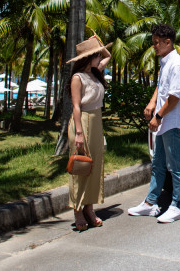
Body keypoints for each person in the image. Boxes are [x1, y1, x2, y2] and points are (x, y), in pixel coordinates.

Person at [128, 24, 180, 223]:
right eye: (153, 42)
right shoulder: (166, 63)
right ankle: (150, 203)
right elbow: (160, 86)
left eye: (156, 43)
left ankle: (179, 206)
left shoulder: (178, 65)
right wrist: (152, 102)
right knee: (158, 165)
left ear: (167, 42)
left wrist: (158, 116)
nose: (154, 46)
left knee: (176, 168)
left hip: (173, 123)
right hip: (164, 123)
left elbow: (174, 97)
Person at [67, 35, 112, 231]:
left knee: (95, 166)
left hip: (96, 122)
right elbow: (76, 106)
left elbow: (108, 55)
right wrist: (79, 132)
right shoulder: (78, 78)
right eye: (95, 55)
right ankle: (78, 210)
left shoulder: (95, 72)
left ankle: (90, 208)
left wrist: (98, 43)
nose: (99, 57)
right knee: (81, 166)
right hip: (82, 122)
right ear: (88, 58)